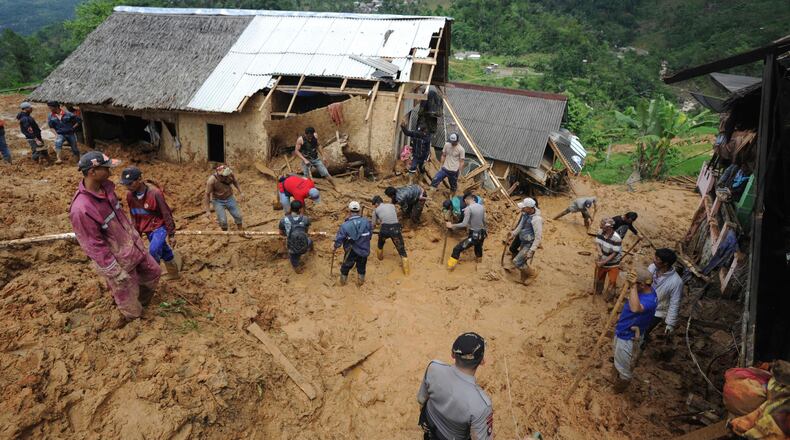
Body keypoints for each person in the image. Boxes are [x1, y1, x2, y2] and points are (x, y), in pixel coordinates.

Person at [69, 151, 161, 321]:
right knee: (129, 302)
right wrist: (114, 271)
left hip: (133, 248)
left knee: (154, 272)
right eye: (106, 168)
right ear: (92, 172)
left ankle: (142, 302)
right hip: (119, 261)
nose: (111, 171)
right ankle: (134, 321)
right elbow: (93, 245)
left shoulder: (107, 189)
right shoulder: (82, 209)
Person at [417, 332, 493, 440]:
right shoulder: (482, 405)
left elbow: (421, 400)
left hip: (428, 424)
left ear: (452, 354)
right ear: (482, 361)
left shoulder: (434, 367)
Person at [120, 166, 180, 280]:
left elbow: (166, 213)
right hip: (146, 229)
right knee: (164, 250)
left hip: (159, 227)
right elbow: (134, 215)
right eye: (126, 184)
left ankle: (153, 276)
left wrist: (171, 234)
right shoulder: (130, 196)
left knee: (153, 250)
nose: (128, 187)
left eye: (130, 183)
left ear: (140, 179)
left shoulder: (155, 193)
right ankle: (174, 273)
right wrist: (136, 233)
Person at [612, 268, 657, 393]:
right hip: (622, 329)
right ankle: (614, 378)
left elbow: (635, 308)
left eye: (635, 283)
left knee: (625, 370)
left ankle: (618, 390)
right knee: (617, 358)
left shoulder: (650, 300)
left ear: (642, 285)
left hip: (628, 337)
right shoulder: (643, 290)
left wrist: (632, 287)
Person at [644, 248, 684, 345]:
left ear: (665, 263)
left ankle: (636, 349)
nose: (654, 259)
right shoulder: (652, 268)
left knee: (642, 330)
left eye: (657, 259)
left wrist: (670, 324)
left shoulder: (676, 282)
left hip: (657, 311)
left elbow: (675, 303)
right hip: (644, 304)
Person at [333, 201, 373, 286]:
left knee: (345, 267)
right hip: (364, 250)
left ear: (349, 211)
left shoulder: (345, 225)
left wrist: (336, 246)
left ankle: (342, 283)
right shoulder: (367, 222)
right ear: (359, 211)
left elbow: (340, 238)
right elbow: (370, 235)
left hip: (351, 250)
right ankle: (360, 283)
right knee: (362, 267)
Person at [445, 192, 486, 270]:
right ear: (473, 198)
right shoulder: (481, 207)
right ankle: (479, 262)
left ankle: (450, 266)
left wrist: (452, 225)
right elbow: (484, 221)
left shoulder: (468, 209)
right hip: (483, 233)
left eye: (465, 202)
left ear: (466, 200)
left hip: (474, 235)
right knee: (478, 247)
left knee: (457, 248)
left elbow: (464, 224)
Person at [371, 195, 409, 274]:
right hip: (396, 229)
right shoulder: (391, 206)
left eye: (374, 204)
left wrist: (376, 223)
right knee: (401, 250)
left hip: (384, 229)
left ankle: (380, 258)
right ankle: (407, 272)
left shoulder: (375, 210)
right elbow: (392, 216)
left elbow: (373, 224)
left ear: (377, 203)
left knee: (380, 243)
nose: (374, 206)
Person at [508, 197, 543, 282]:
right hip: (523, 240)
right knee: (522, 261)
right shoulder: (525, 214)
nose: (522, 208)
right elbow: (521, 225)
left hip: (529, 243)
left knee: (516, 261)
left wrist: (531, 250)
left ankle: (532, 274)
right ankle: (523, 278)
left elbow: (538, 237)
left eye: (524, 207)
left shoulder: (536, 220)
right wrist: (513, 233)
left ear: (530, 208)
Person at [205, 165, 244, 231]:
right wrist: (208, 210)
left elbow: (235, 182)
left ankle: (241, 231)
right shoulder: (211, 180)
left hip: (229, 197)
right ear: (219, 175)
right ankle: (225, 233)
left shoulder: (230, 174)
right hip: (218, 201)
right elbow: (207, 195)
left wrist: (241, 192)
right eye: (224, 175)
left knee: (238, 216)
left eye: (227, 175)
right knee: (223, 221)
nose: (226, 177)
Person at [278, 200, 312, 273]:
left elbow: (280, 233)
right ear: (300, 209)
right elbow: (306, 231)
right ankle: (311, 250)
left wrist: (287, 234)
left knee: (294, 260)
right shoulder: (305, 219)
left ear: (291, 208)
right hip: (305, 245)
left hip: (292, 247)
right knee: (310, 241)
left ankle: (297, 269)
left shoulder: (284, 220)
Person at [594, 218, 623, 299]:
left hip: (613, 263)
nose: (601, 226)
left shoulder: (617, 238)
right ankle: (597, 291)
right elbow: (597, 243)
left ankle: (608, 297)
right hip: (602, 259)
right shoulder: (600, 232)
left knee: (612, 281)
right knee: (599, 277)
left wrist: (604, 262)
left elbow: (615, 253)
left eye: (603, 225)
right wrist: (599, 251)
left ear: (609, 227)